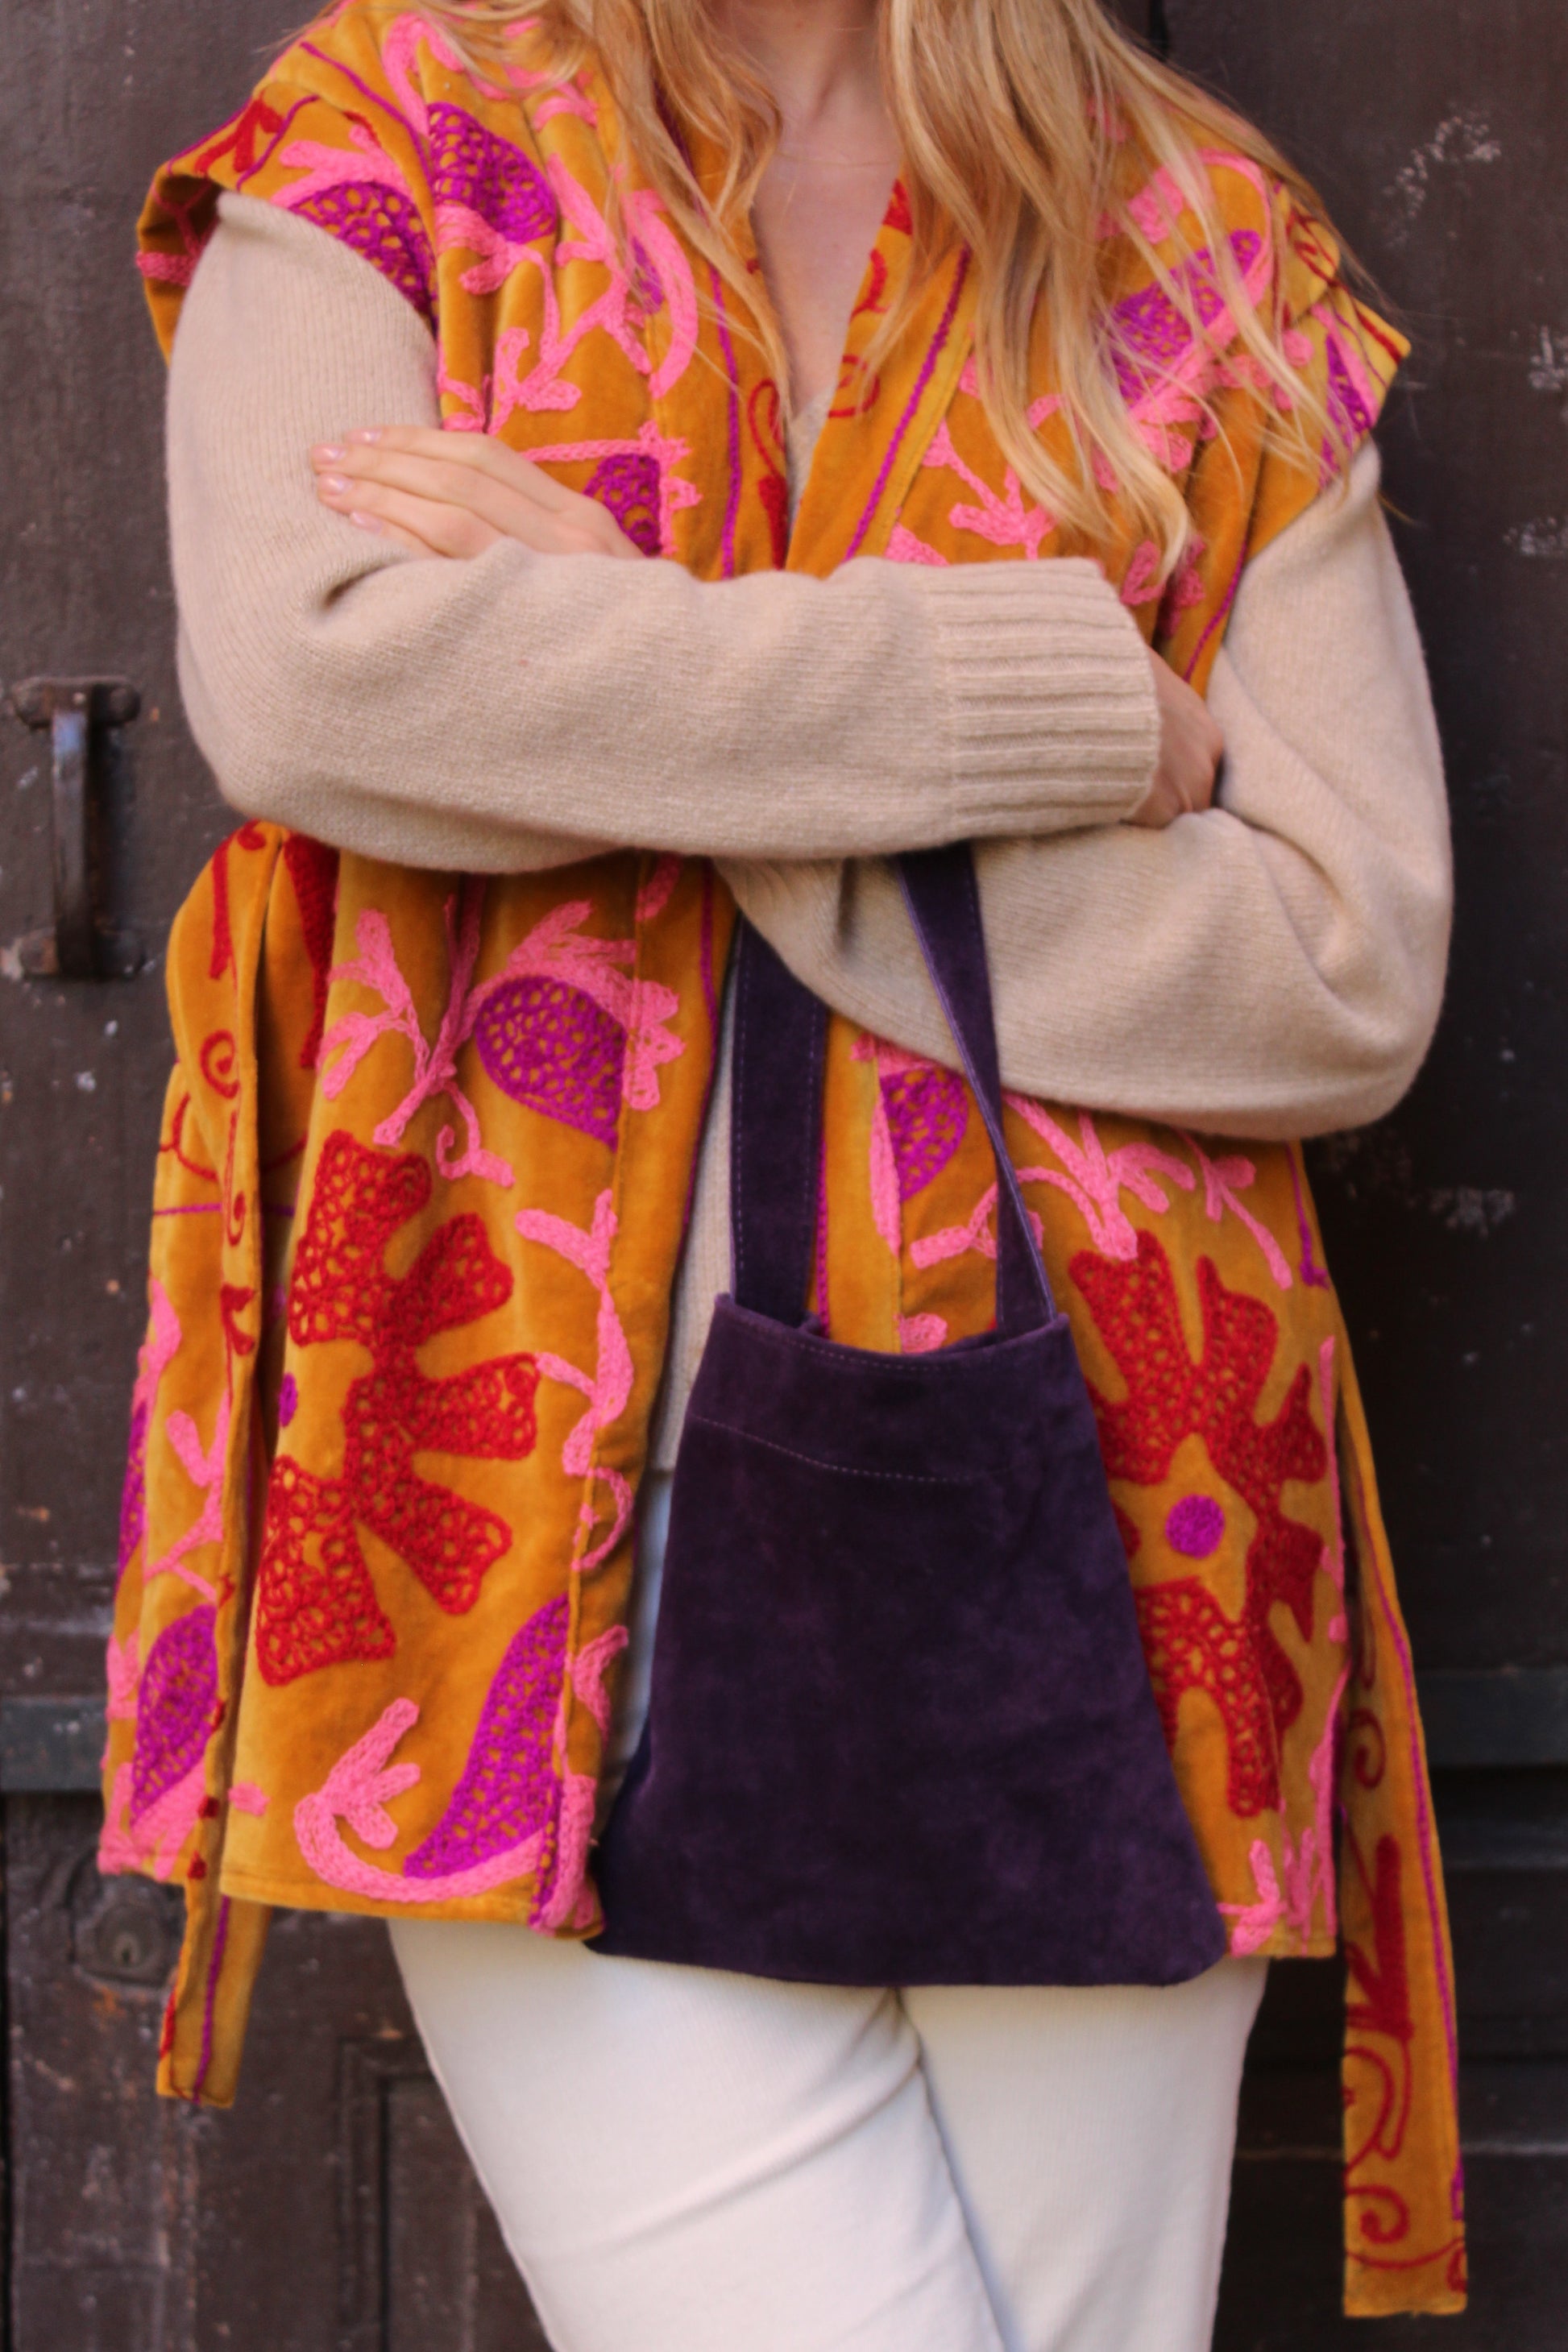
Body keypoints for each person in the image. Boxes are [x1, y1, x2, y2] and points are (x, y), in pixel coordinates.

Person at [108, 0, 1463, 2343]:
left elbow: (1343, 967)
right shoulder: (394, 146)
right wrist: (1055, 701)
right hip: (513, 1553)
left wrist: (624, 679)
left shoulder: (1197, 234)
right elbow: (318, 686)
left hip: (1121, 1536)